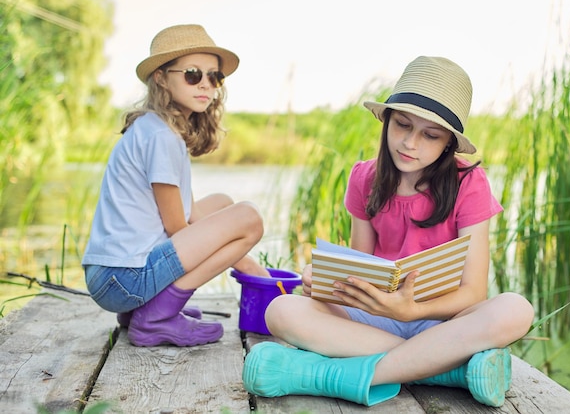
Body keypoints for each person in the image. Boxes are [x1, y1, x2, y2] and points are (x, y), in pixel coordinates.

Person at [242, 56, 535, 407]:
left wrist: (410, 311)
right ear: (387, 121)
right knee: (282, 311)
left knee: (516, 309)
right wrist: (326, 283)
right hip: (377, 316)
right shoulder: (364, 178)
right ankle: (446, 370)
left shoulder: (469, 183)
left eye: (430, 135)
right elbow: (362, 265)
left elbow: (473, 293)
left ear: (448, 144)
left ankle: (333, 375)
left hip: (441, 320)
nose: (410, 143)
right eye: (403, 125)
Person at [82, 24, 270, 348]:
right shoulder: (161, 137)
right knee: (249, 218)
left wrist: (245, 259)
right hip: (124, 278)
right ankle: (157, 316)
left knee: (225, 203)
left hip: (111, 276)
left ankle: (146, 308)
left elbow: (190, 213)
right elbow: (177, 229)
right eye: (193, 74)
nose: (206, 85)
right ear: (161, 77)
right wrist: (249, 266)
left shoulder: (157, 128)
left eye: (215, 77)